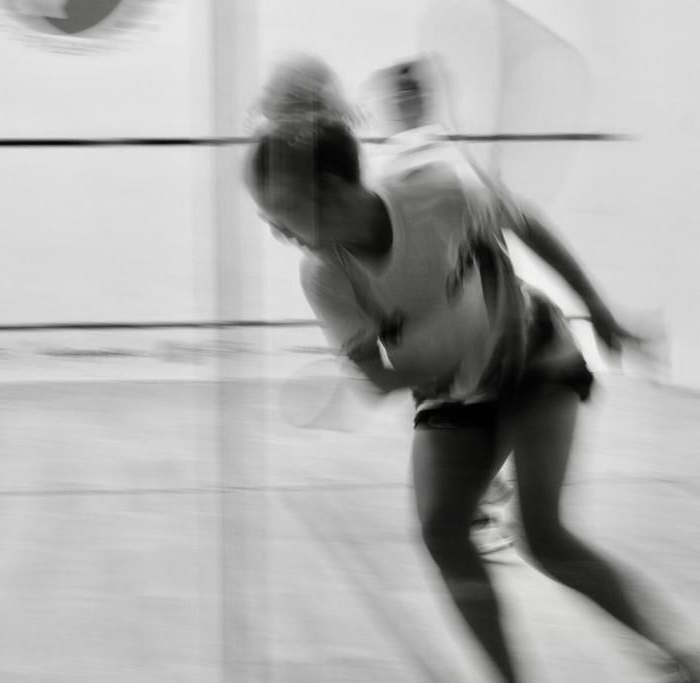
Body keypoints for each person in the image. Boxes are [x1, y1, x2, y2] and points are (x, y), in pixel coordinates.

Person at [245, 54, 700, 682]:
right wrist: (439, 347)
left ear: (325, 190)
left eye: (279, 210)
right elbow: (376, 378)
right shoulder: (325, 274)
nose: (274, 229)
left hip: (533, 353)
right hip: (452, 391)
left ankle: (678, 655)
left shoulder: (432, 190)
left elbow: (524, 222)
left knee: (544, 538)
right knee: (442, 531)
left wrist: (599, 311)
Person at [363, 57, 518, 557]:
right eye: (399, 95)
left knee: (484, 405)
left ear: (424, 98)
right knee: (449, 409)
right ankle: (472, 508)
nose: (406, 101)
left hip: (468, 308)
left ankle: (475, 501)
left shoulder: (446, 155)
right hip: (423, 319)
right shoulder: (390, 163)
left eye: (412, 93)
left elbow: (488, 229)